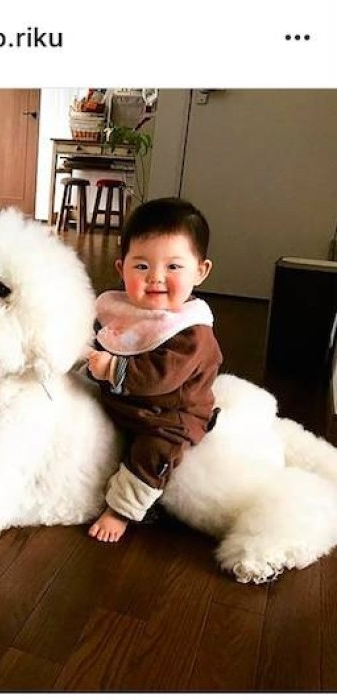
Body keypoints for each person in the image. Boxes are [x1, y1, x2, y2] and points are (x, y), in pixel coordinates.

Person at [87, 197, 223, 542]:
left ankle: (122, 509)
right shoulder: (122, 310)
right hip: (126, 404)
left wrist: (112, 368)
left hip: (169, 416)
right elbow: (104, 339)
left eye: (174, 267)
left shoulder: (191, 332)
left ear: (201, 271)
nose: (156, 278)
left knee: (152, 455)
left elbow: (157, 377)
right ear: (121, 269)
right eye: (142, 266)